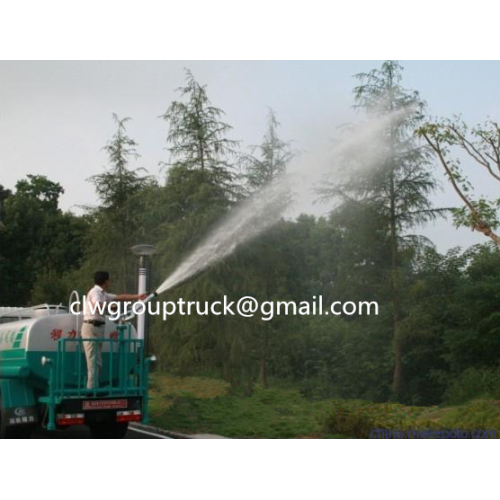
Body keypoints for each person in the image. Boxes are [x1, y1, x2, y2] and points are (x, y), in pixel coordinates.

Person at [82, 271, 147, 390]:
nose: (109, 282)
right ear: (106, 281)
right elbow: (97, 305)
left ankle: (94, 387)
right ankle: (91, 390)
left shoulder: (103, 294)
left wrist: (138, 297)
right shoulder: (95, 292)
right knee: (93, 359)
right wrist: (111, 307)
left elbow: (120, 297)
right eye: (109, 280)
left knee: (97, 360)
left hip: (98, 327)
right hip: (91, 327)